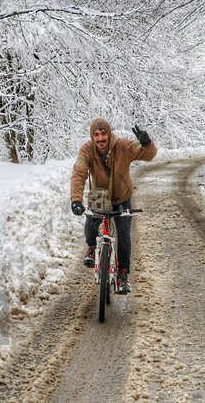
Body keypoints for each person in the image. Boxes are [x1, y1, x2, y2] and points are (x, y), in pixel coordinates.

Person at [70, 118, 157, 294]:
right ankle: (92, 248)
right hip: (100, 196)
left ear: (109, 134)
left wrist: (147, 143)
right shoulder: (87, 150)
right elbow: (79, 174)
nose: (100, 138)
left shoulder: (123, 146)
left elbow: (149, 155)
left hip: (122, 197)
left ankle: (123, 274)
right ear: (92, 136)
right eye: (96, 134)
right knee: (91, 221)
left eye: (103, 134)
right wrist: (76, 200)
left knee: (124, 235)